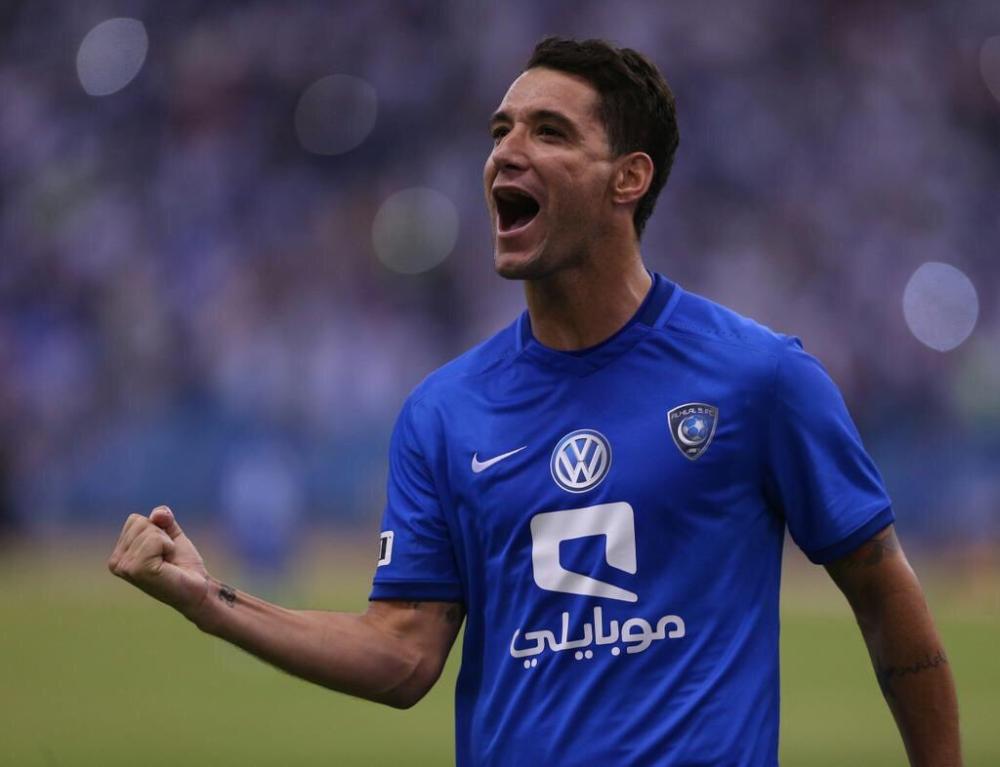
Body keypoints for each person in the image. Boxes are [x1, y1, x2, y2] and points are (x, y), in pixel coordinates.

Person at [108, 37, 961, 766]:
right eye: (500, 131)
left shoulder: (760, 376)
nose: (505, 153)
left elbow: (882, 591)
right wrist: (212, 601)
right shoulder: (444, 413)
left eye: (549, 131)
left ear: (629, 178)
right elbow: (402, 654)